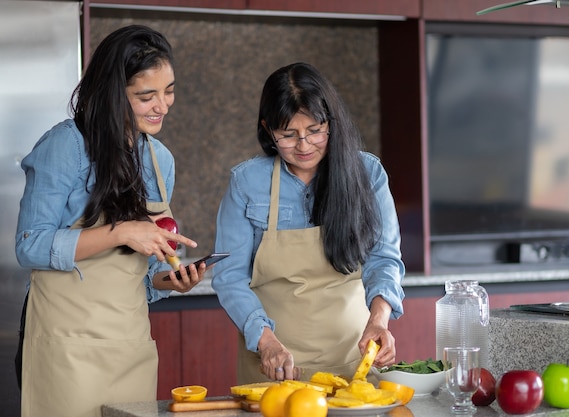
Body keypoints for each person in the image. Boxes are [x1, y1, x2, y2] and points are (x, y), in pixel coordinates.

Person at [14, 25, 207, 417]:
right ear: (112, 92)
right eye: (145, 96)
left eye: (168, 90)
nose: (162, 105)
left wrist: (167, 280)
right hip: (67, 350)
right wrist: (120, 230)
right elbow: (29, 245)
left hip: (130, 345)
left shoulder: (160, 160)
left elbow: (140, 273)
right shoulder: (64, 146)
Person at [212, 62, 405, 383]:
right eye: (288, 135)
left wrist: (380, 320)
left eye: (315, 131)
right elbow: (230, 278)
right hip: (273, 365)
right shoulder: (247, 182)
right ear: (268, 129)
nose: (303, 146)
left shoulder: (367, 173)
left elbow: (384, 258)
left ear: (332, 122)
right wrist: (266, 342)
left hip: (352, 359)